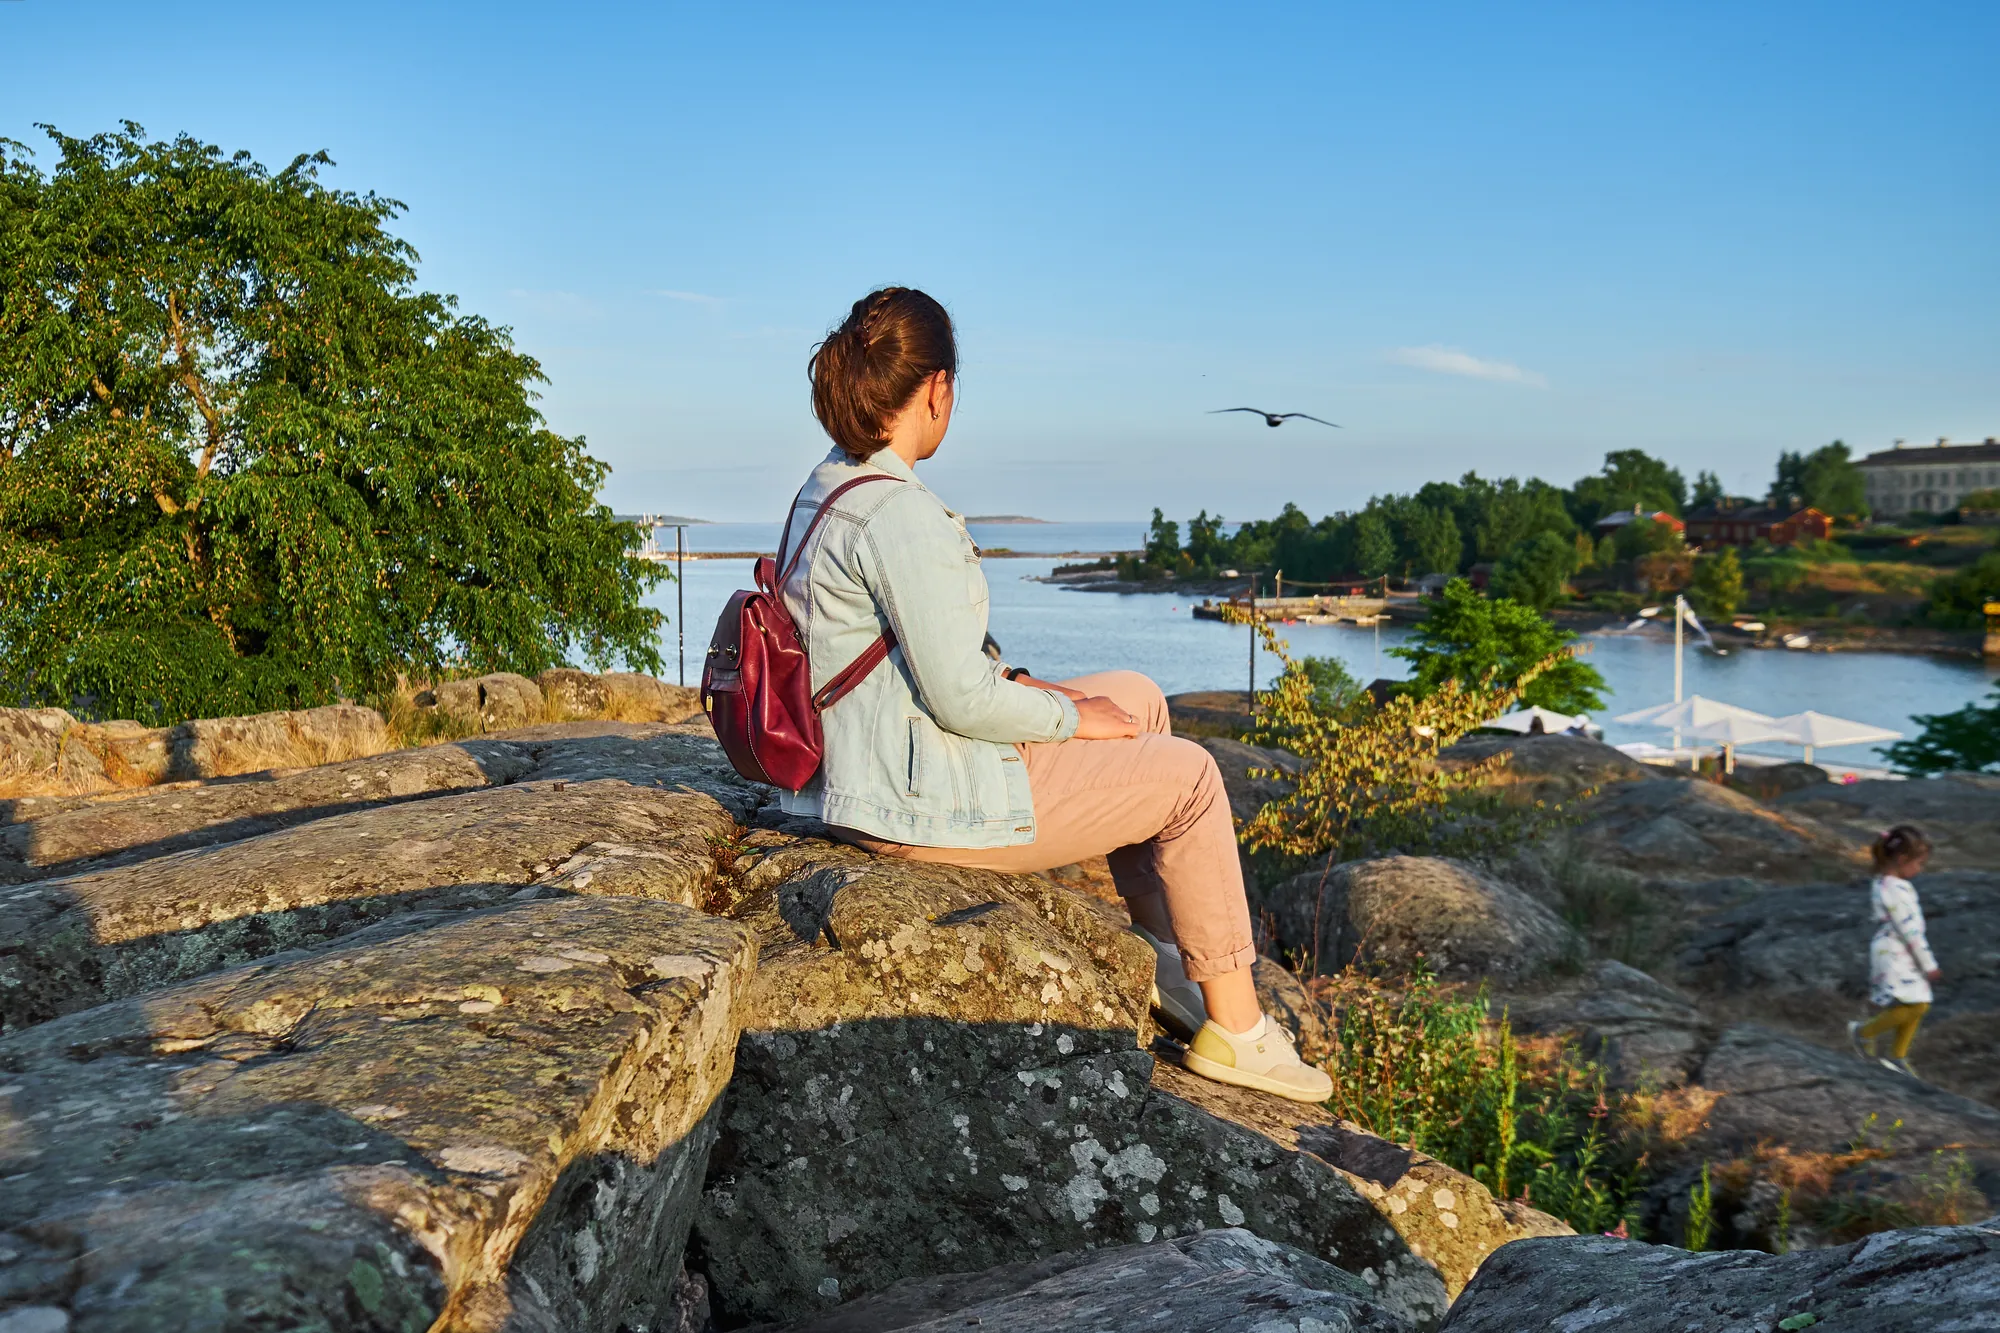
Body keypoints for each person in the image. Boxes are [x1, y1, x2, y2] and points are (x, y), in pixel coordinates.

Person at [773, 287, 1330, 1103]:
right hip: (908, 799)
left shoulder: (830, 487)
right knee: (1191, 776)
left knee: (1137, 697)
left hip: (876, 755)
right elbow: (961, 699)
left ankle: (1165, 957)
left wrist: (1059, 702)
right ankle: (1239, 1030)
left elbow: (918, 665)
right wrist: (1067, 717)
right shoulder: (899, 513)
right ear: (938, 390)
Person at [1848, 825, 1939, 1078]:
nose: (1920, 869)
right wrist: (1928, 963)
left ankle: (1898, 1056)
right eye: (1919, 863)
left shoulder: (1889, 884)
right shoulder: (1893, 889)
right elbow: (1907, 930)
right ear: (1902, 859)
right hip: (1896, 951)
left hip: (1899, 949)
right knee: (1915, 1005)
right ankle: (1863, 1033)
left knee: (1919, 1003)